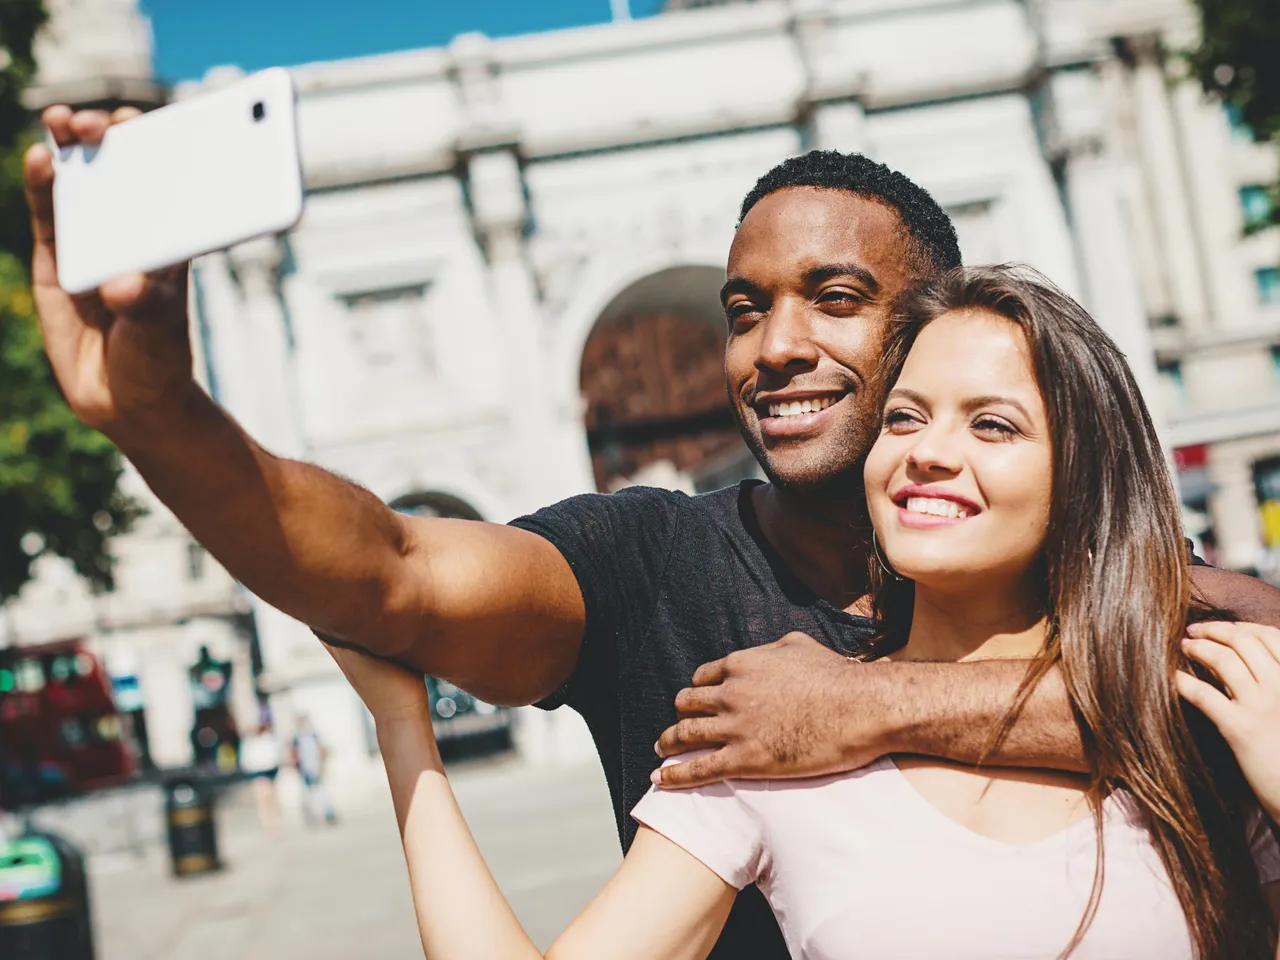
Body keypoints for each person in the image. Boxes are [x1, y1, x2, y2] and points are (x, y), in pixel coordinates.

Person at [22, 107, 1280, 957]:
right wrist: (158, 412)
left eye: (833, 299)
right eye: (741, 310)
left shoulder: (1168, 638)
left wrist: (874, 706)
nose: (773, 345)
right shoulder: (666, 600)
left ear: (933, 326)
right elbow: (389, 568)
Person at [324, 265, 1280, 959]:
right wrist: (405, 726)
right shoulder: (764, 736)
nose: (929, 452)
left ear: (1082, 475)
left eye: (992, 424)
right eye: (905, 418)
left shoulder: (1218, 702)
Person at [238, 719, 283, 835]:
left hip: (266, 772)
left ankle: (272, 822)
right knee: (264, 799)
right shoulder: (253, 742)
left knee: (268, 798)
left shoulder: (263, 741)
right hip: (260, 772)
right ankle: (269, 823)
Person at [290, 715, 336, 827]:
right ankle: (313, 818)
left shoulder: (314, 736)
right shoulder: (296, 739)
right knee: (308, 795)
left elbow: (323, 751)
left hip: (316, 768)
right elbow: (294, 755)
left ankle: (328, 815)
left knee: (321, 793)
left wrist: (322, 766)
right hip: (305, 771)